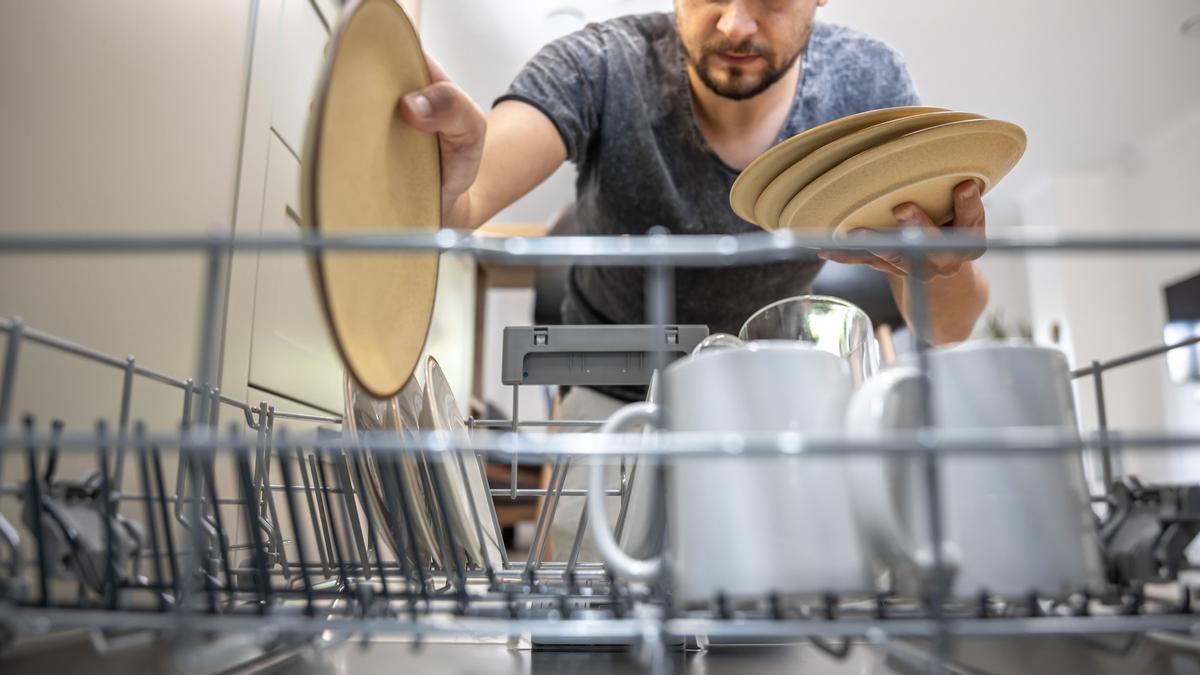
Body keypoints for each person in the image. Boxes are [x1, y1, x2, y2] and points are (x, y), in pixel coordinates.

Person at [400, 0, 989, 558]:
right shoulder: (602, 64)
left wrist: (939, 265)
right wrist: (445, 185)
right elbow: (466, 197)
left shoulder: (866, 84)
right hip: (610, 398)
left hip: (762, 404)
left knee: (773, 633)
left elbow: (951, 324)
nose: (734, 24)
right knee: (590, 632)